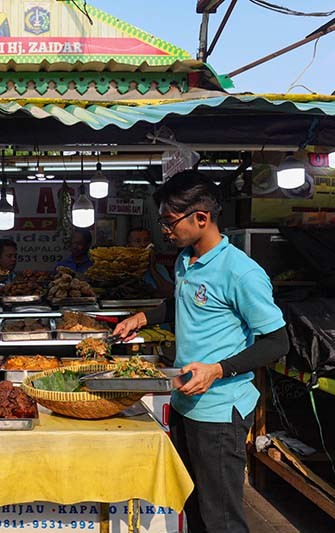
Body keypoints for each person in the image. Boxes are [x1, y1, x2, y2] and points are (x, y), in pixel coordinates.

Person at [113, 171, 289, 533]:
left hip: (220, 410)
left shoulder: (240, 272)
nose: (165, 230)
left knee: (221, 517)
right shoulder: (186, 261)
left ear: (201, 218)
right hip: (184, 404)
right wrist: (142, 317)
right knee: (193, 508)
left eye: (168, 221)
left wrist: (218, 369)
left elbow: (277, 341)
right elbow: (184, 306)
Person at [128, 227, 174, 297]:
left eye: (146, 240)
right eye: (137, 241)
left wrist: (152, 268)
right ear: (129, 246)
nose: (143, 245)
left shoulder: (159, 268)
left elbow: (170, 293)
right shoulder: (123, 269)